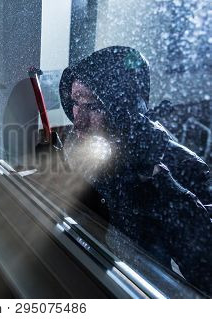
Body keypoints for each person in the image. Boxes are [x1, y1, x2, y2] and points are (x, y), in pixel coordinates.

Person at [59, 46, 211, 294]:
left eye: (93, 106)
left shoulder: (181, 166)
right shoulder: (86, 147)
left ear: (124, 111)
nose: (79, 121)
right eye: (76, 102)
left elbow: (205, 275)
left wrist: (158, 183)